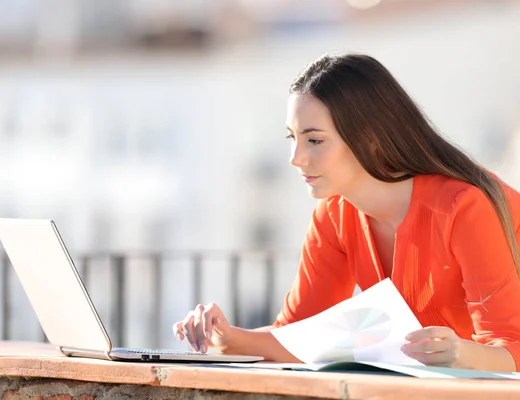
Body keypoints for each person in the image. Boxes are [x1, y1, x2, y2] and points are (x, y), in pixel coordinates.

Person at [172, 53, 520, 372]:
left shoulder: (463, 206)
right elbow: (296, 336)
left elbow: (512, 349)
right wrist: (226, 336)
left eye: (315, 140)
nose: (295, 157)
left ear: (369, 139)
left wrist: (463, 354)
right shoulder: (334, 216)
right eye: (291, 137)